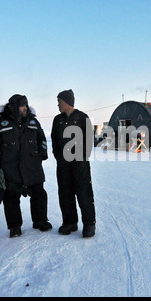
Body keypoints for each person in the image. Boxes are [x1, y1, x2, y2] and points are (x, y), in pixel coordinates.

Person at [0, 94, 52, 238]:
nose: (26, 108)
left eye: (26, 105)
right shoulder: (1, 123)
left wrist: (41, 155)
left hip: (32, 166)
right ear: (14, 107)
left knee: (39, 194)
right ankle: (15, 226)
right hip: (10, 167)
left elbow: (42, 139)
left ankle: (40, 220)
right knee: (10, 197)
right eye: (23, 105)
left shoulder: (33, 122)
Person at [51, 89, 96, 238]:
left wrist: (81, 158)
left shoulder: (83, 118)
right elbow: (54, 140)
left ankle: (89, 224)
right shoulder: (57, 120)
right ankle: (70, 222)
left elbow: (89, 141)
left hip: (79, 164)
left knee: (84, 193)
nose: (58, 105)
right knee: (65, 193)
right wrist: (59, 157)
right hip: (63, 164)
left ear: (66, 102)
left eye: (59, 102)